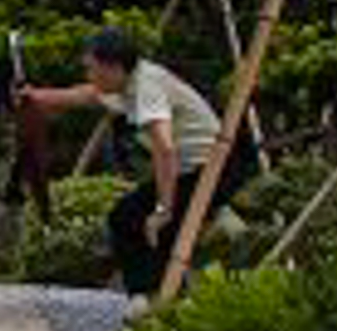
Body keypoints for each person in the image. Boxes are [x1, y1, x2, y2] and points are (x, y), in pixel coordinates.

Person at [15, 25, 223, 297]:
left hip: (212, 168)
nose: (89, 75)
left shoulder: (146, 88)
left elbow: (164, 148)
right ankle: (158, 297)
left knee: (144, 223)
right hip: (191, 167)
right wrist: (37, 96)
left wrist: (164, 208)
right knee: (130, 219)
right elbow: (86, 94)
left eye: (92, 68)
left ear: (113, 66)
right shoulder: (128, 80)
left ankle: (156, 299)